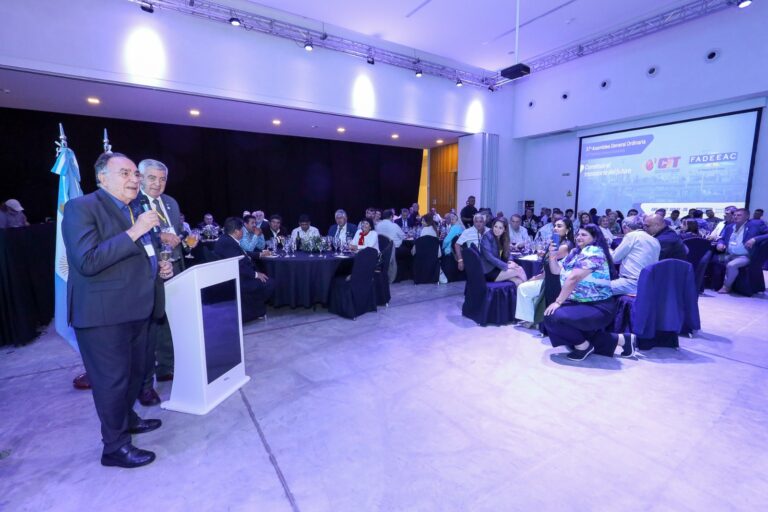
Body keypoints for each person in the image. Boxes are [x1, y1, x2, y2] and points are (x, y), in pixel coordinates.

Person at [62, 152, 172, 468]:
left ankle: (128, 419)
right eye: (125, 173)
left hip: (137, 310)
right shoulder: (80, 208)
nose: (134, 180)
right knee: (112, 382)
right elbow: (87, 261)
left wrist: (158, 264)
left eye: (135, 174)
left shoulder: (131, 209)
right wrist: (136, 231)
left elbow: (143, 252)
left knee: (135, 374)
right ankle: (115, 447)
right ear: (102, 178)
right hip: (103, 317)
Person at [137, 158, 186, 406]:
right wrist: (159, 237)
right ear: (141, 177)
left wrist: (185, 242)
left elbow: (175, 234)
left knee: (171, 320)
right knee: (149, 328)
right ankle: (145, 385)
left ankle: (166, 367)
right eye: (152, 178)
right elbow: (134, 237)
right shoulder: (132, 203)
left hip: (174, 268)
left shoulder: (171, 203)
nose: (157, 183)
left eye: (162, 178)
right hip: (146, 275)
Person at [542, 224, 629, 361]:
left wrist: (558, 302)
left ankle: (583, 347)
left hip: (598, 305)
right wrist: (552, 256)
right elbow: (556, 271)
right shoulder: (575, 252)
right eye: (578, 234)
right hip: (579, 302)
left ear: (594, 238)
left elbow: (574, 277)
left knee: (553, 317)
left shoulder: (594, 251)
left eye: (584, 235)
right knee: (554, 318)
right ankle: (622, 340)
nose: (578, 237)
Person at [213, 217, 275, 320]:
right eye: (242, 229)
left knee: (264, 276)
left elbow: (244, 253)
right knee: (270, 283)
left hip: (237, 274)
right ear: (237, 231)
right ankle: (253, 312)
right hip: (237, 278)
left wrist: (260, 254)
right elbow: (238, 264)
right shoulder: (228, 243)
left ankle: (255, 309)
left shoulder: (227, 239)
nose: (243, 232)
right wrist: (255, 274)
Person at [515, 218, 574, 327]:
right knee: (524, 286)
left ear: (567, 230)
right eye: (555, 225)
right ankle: (530, 318)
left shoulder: (565, 246)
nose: (555, 228)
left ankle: (531, 320)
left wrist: (545, 254)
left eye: (559, 226)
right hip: (549, 276)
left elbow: (552, 264)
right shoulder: (557, 242)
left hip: (555, 281)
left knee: (523, 288)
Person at [715, 208, 768, 293]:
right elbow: (722, 238)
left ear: (747, 216)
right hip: (729, 254)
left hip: (744, 256)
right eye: (734, 215)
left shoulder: (756, 225)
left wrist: (755, 239)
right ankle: (712, 284)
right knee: (713, 259)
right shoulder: (729, 227)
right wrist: (720, 243)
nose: (735, 217)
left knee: (731, 265)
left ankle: (727, 287)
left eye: (739, 215)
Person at [610, 215, 660, 295]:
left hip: (631, 283)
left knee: (593, 288)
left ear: (625, 227)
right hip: (648, 283)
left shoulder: (632, 236)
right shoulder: (655, 240)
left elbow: (614, 258)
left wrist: (607, 250)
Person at [479, 217, 527, 285]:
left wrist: (510, 261)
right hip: (488, 271)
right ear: (493, 226)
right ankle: (529, 293)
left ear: (504, 229)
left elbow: (508, 252)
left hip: (497, 268)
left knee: (518, 281)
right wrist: (507, 266)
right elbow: (489, 257)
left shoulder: (503, 237)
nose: (497, 229)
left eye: (500, 228)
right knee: (519, 270)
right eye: (495, 226)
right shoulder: (487, 237)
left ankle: (520, 295)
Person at [375, 209, 406, 282]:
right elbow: (403, 236)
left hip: (381, 250)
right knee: (409, 251)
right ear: (391, 217)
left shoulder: (378, 225)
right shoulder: (394, 225)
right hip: (394, 249)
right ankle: (404, 275)